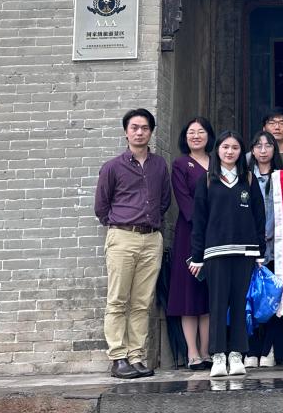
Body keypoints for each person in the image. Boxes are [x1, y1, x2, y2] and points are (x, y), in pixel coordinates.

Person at [94, 108, 172, 379]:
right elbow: (101, 206)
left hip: (151, 239)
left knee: (142, 302)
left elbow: (164, 200)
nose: (139, 132)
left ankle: (136, 356)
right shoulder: (113, 167)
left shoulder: (159, 165)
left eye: (145, 128)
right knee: (118, 300)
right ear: (126, 132)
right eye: (134, 128)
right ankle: (118, 357)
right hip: (122, 236)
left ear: (151, 132)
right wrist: (122, 223)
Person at [189, 131, 266, 378]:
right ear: (217, 150)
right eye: (225, 147)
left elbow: (259, 217)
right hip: (215, 252)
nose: (230, 152)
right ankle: (218, 355)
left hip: (245, 251)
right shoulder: (207, 180)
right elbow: (199, 220)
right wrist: (197, 255)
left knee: (240, 304)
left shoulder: (248, 179)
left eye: (234, 147)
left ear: (241, 152)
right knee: (218, 304)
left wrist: (260, 252)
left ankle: (236, 354)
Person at [166, 116, 214, 371]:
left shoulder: (218, 162)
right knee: (188, 293)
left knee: (208, 294)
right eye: (191, 132)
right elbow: (184, 201)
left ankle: (206, 351)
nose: (196, 136)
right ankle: (192, 353)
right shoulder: (180, 164)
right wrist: (205, 223)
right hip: (190, 233)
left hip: (216, 235)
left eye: (201, 131)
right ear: (185, 138)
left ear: (209, 135)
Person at [245, 130, 283, 369]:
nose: (263, 150)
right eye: (258, 145)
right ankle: (251, 348)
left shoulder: (282, 176)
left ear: (274, 149)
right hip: (249, 246)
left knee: (272, 298)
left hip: (276, 247)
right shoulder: (244, 177)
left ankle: (269, 348)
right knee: (249, 298)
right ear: (252, 150)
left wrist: (269, 232)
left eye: (268, 145)